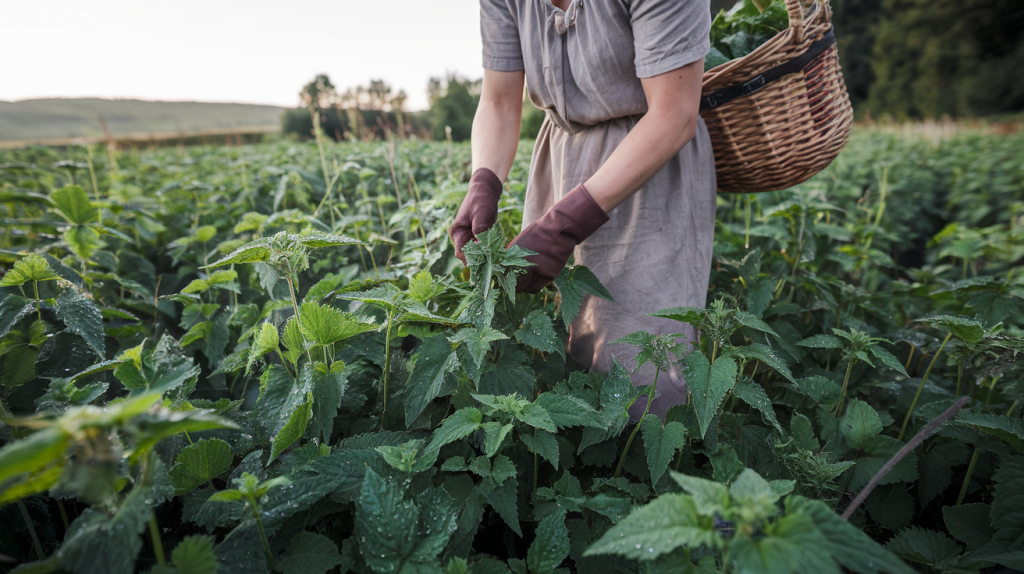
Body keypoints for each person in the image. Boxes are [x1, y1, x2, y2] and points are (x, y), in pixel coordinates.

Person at [449, 0, 717, 418]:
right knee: (560, 353)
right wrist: (483, 184)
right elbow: (499, 101)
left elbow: (674, 113)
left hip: (648, 165)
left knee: (642, 371)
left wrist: (566, 224)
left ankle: (641, 476)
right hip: (560, 163)